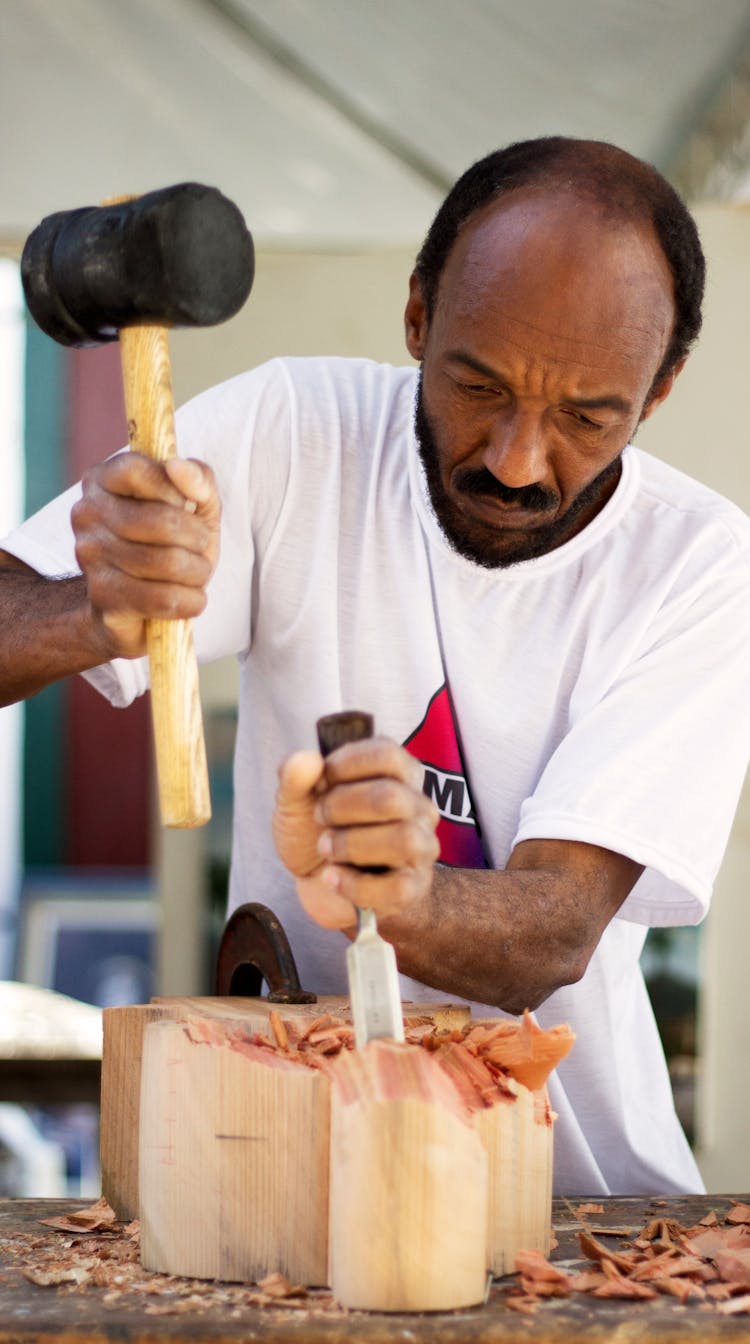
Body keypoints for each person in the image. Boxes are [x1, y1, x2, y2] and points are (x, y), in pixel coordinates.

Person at [2, 136, 749, 1196]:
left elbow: (557, 928)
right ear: (415, 317)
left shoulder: (697, 564)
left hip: (582, 1204)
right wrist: (95, 607)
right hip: (284, 1181)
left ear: (660, 389)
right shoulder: (292, 430)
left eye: (588, 417)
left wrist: (405, 896)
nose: (516, 460)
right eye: (479, 386)